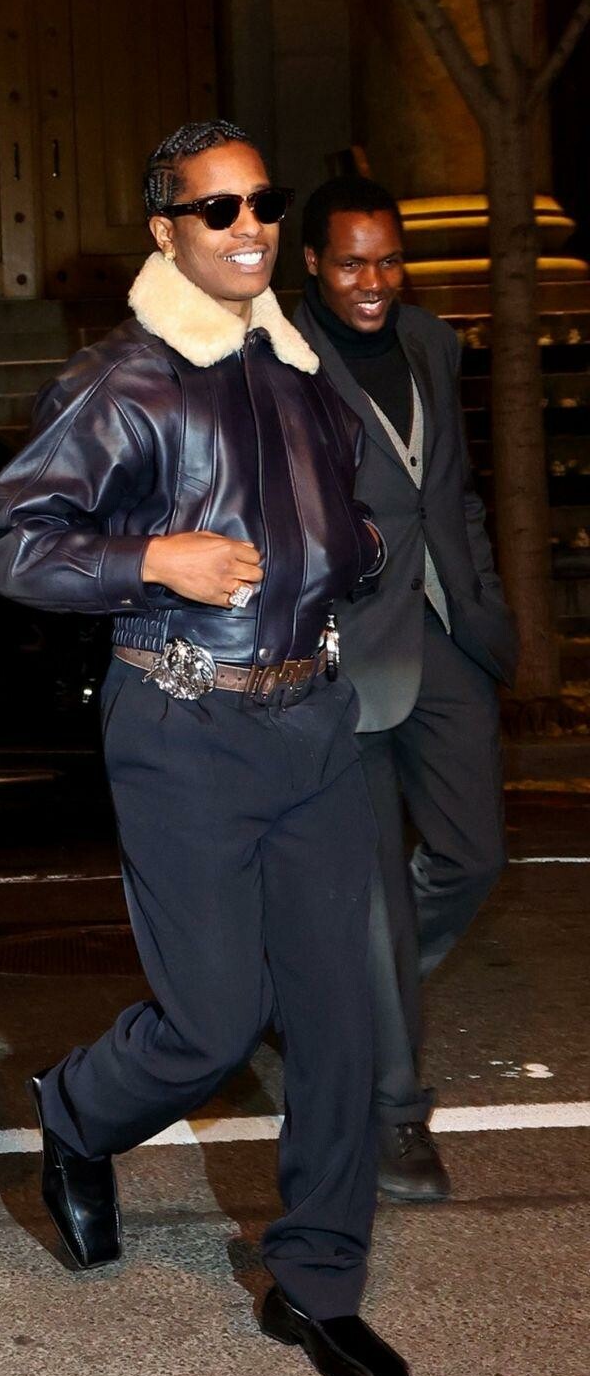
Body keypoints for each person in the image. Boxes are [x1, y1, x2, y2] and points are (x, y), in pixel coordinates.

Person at [0, 119, 411, 1376]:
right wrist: (152, 559)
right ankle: (76, 1113)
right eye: (216, 209)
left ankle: (315, 1283)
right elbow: (10, 543)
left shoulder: (299, 369)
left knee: (339, 1019)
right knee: (211, 1023)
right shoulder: (123, 380)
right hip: (183, 724)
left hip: (311, 720)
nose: (247, 227)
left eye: (260, 203)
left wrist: (356, 551)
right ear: (165, 231)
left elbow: (345, 519)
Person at [296, 176, 516, 1202]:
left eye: (387, 261)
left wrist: (485, 606)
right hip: (341, 649)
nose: (373, 282)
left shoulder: (431, 342)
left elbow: (451, 491)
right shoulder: (278, 360)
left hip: (442, 636)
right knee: (377, 886)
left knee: (474, 855)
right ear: (312, 264)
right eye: (351, 263)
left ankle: (347, 992)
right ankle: (393, 1116)